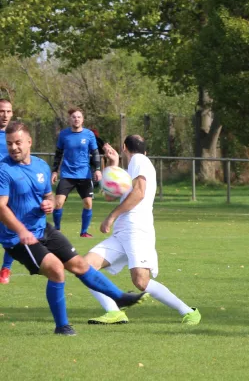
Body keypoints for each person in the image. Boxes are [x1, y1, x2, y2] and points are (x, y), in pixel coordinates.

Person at [0, 122, 148, 335]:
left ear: (29, 142)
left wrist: (49, 203)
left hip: (43, 228)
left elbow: (46, 196)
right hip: (18, 238)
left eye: (18, 143)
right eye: (9, 143)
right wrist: (21, 230)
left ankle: (119, 297)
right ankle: (62, 326)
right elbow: (1, 207)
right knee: (57, 270)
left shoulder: (41, 166)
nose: (13, 148)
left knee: (79, 264)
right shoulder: (4, 170)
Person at [83, 136, 201, 325]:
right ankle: (114, 312)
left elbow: (139, 193)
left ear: (124, 147)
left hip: (137, 230)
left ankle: (188, 312)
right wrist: (113, 164)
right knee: (85, 267)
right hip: (123, 233)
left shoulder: (139, 160)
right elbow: (109, 196)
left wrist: (111, 217)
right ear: (146, 150)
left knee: (141, 282)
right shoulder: (131, 168)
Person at [51, 108, 102, 238]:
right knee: (58, 203)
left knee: (88, 203)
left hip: (84, 174)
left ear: (82, 119)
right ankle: (57, 230)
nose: (76, 119)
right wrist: (54, 171)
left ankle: (84, 232)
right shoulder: (64, 135)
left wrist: (97, 169)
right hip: (67, 174)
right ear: (70, 119)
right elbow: (58, 154)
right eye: (74, 117)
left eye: (79, 117)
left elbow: (95, 153)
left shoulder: (89, 134)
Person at [0, 99, 15, 284]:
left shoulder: (15, 135)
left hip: (9, 189)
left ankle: (6, 269)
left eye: (8, 111)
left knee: (11, 230)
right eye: (1, 111)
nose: (4, 115)